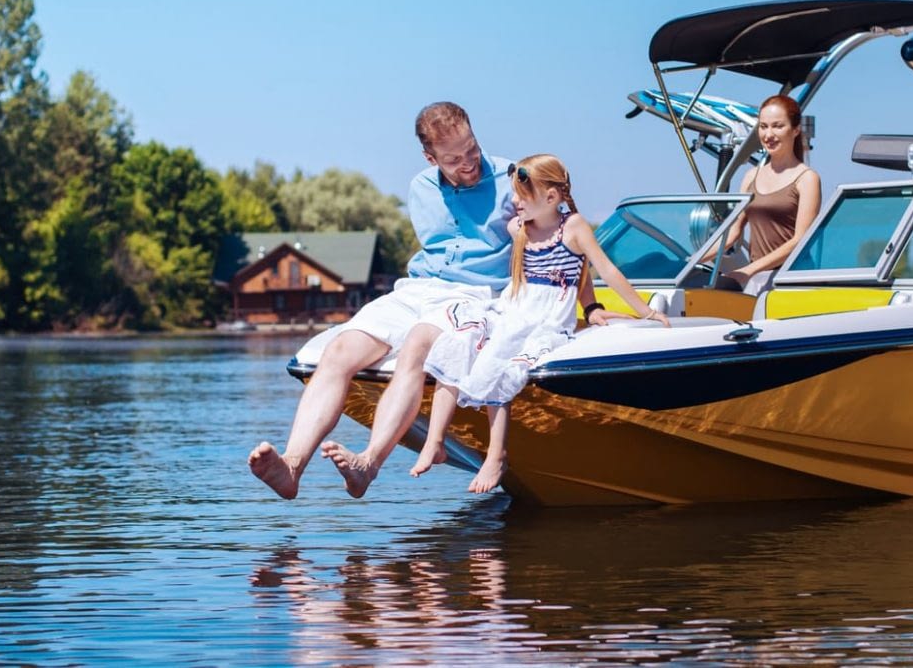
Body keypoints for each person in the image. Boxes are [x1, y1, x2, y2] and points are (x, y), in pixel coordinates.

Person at [249, 102, 514, 499]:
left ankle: (368, 463)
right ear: (430, 157)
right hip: (418, 288)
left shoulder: (513, 178)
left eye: (472, 150)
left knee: (415, 348)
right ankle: (292, 464)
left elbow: (562, 223)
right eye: (453, 159)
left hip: (474, 293)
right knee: (339, 350)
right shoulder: (421, 187)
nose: (468, 163)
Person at [408, 154, 667, 493]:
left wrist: (640, 312)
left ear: (551, 197)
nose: (513, 202)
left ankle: (496, 453)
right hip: (515, 308)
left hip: (546, 318)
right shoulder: (519, 229)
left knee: (502, 364)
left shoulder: (572, 226)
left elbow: (598, 269)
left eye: (521, 195)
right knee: (460, 345)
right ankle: (436, 440)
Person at [708, 95, 822, 292]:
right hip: (758, 279)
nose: (768, 134)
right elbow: (732, 233)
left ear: (795, 130)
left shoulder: (807, 179)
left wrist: (747, 271)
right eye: (763, 126)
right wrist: (690, 262)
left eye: (777, 126)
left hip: (792, 281)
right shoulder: (750, 176)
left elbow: (799, 241)